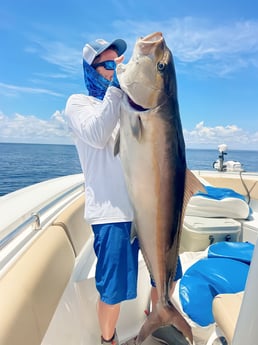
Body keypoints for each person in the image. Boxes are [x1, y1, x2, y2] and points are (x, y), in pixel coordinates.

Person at [65, 37, 183, 345]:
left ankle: (156, 317)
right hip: (111, 213)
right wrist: (118, 88)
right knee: (113, 289)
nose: (114, 68)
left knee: (168, 272)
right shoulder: (80, 104)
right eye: (107, 65)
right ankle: (109, 340)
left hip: (147, 209)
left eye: (118, 62)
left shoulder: (124, 106)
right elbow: (96, 134)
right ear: (90, 70)